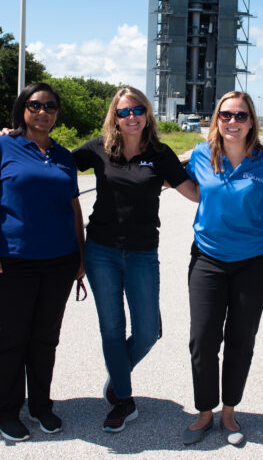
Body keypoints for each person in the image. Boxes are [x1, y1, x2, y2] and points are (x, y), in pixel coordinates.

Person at [0, 82, 85, 443]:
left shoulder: (63, 155)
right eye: (34, 105)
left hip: (58, 262)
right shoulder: (2, 147)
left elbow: (73, 208)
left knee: (45, 339)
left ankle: (41, 405)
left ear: (57, 113)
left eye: (50, 106)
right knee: (11, 338)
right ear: (23, 109)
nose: (42, 112)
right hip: (9, 262)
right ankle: (6, 410)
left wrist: (80, 256)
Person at [73, 87, 197, 433]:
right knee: (112, 329)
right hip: (101, 251)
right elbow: (54, 161)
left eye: (138, 110)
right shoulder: (98, 149)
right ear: (114, 116)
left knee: (147, 332)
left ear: (148, 114)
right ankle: (124, 400)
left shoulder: (160, 154)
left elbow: (193, 192)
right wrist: (9, 140)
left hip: (143, 252)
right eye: (124, 111)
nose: (132, 117)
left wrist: (230, 170)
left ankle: (117, 377)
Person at [181, 91, 263, 447]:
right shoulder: (199, 154)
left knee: (241, 339)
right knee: (203, 338)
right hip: (208, 259)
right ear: (216, 119)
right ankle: (204, 410)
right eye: (226, 115)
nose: (233, 122)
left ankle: (229, 410)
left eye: (241, 116)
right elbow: (168, 175)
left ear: (252, 121)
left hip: (254, 262)